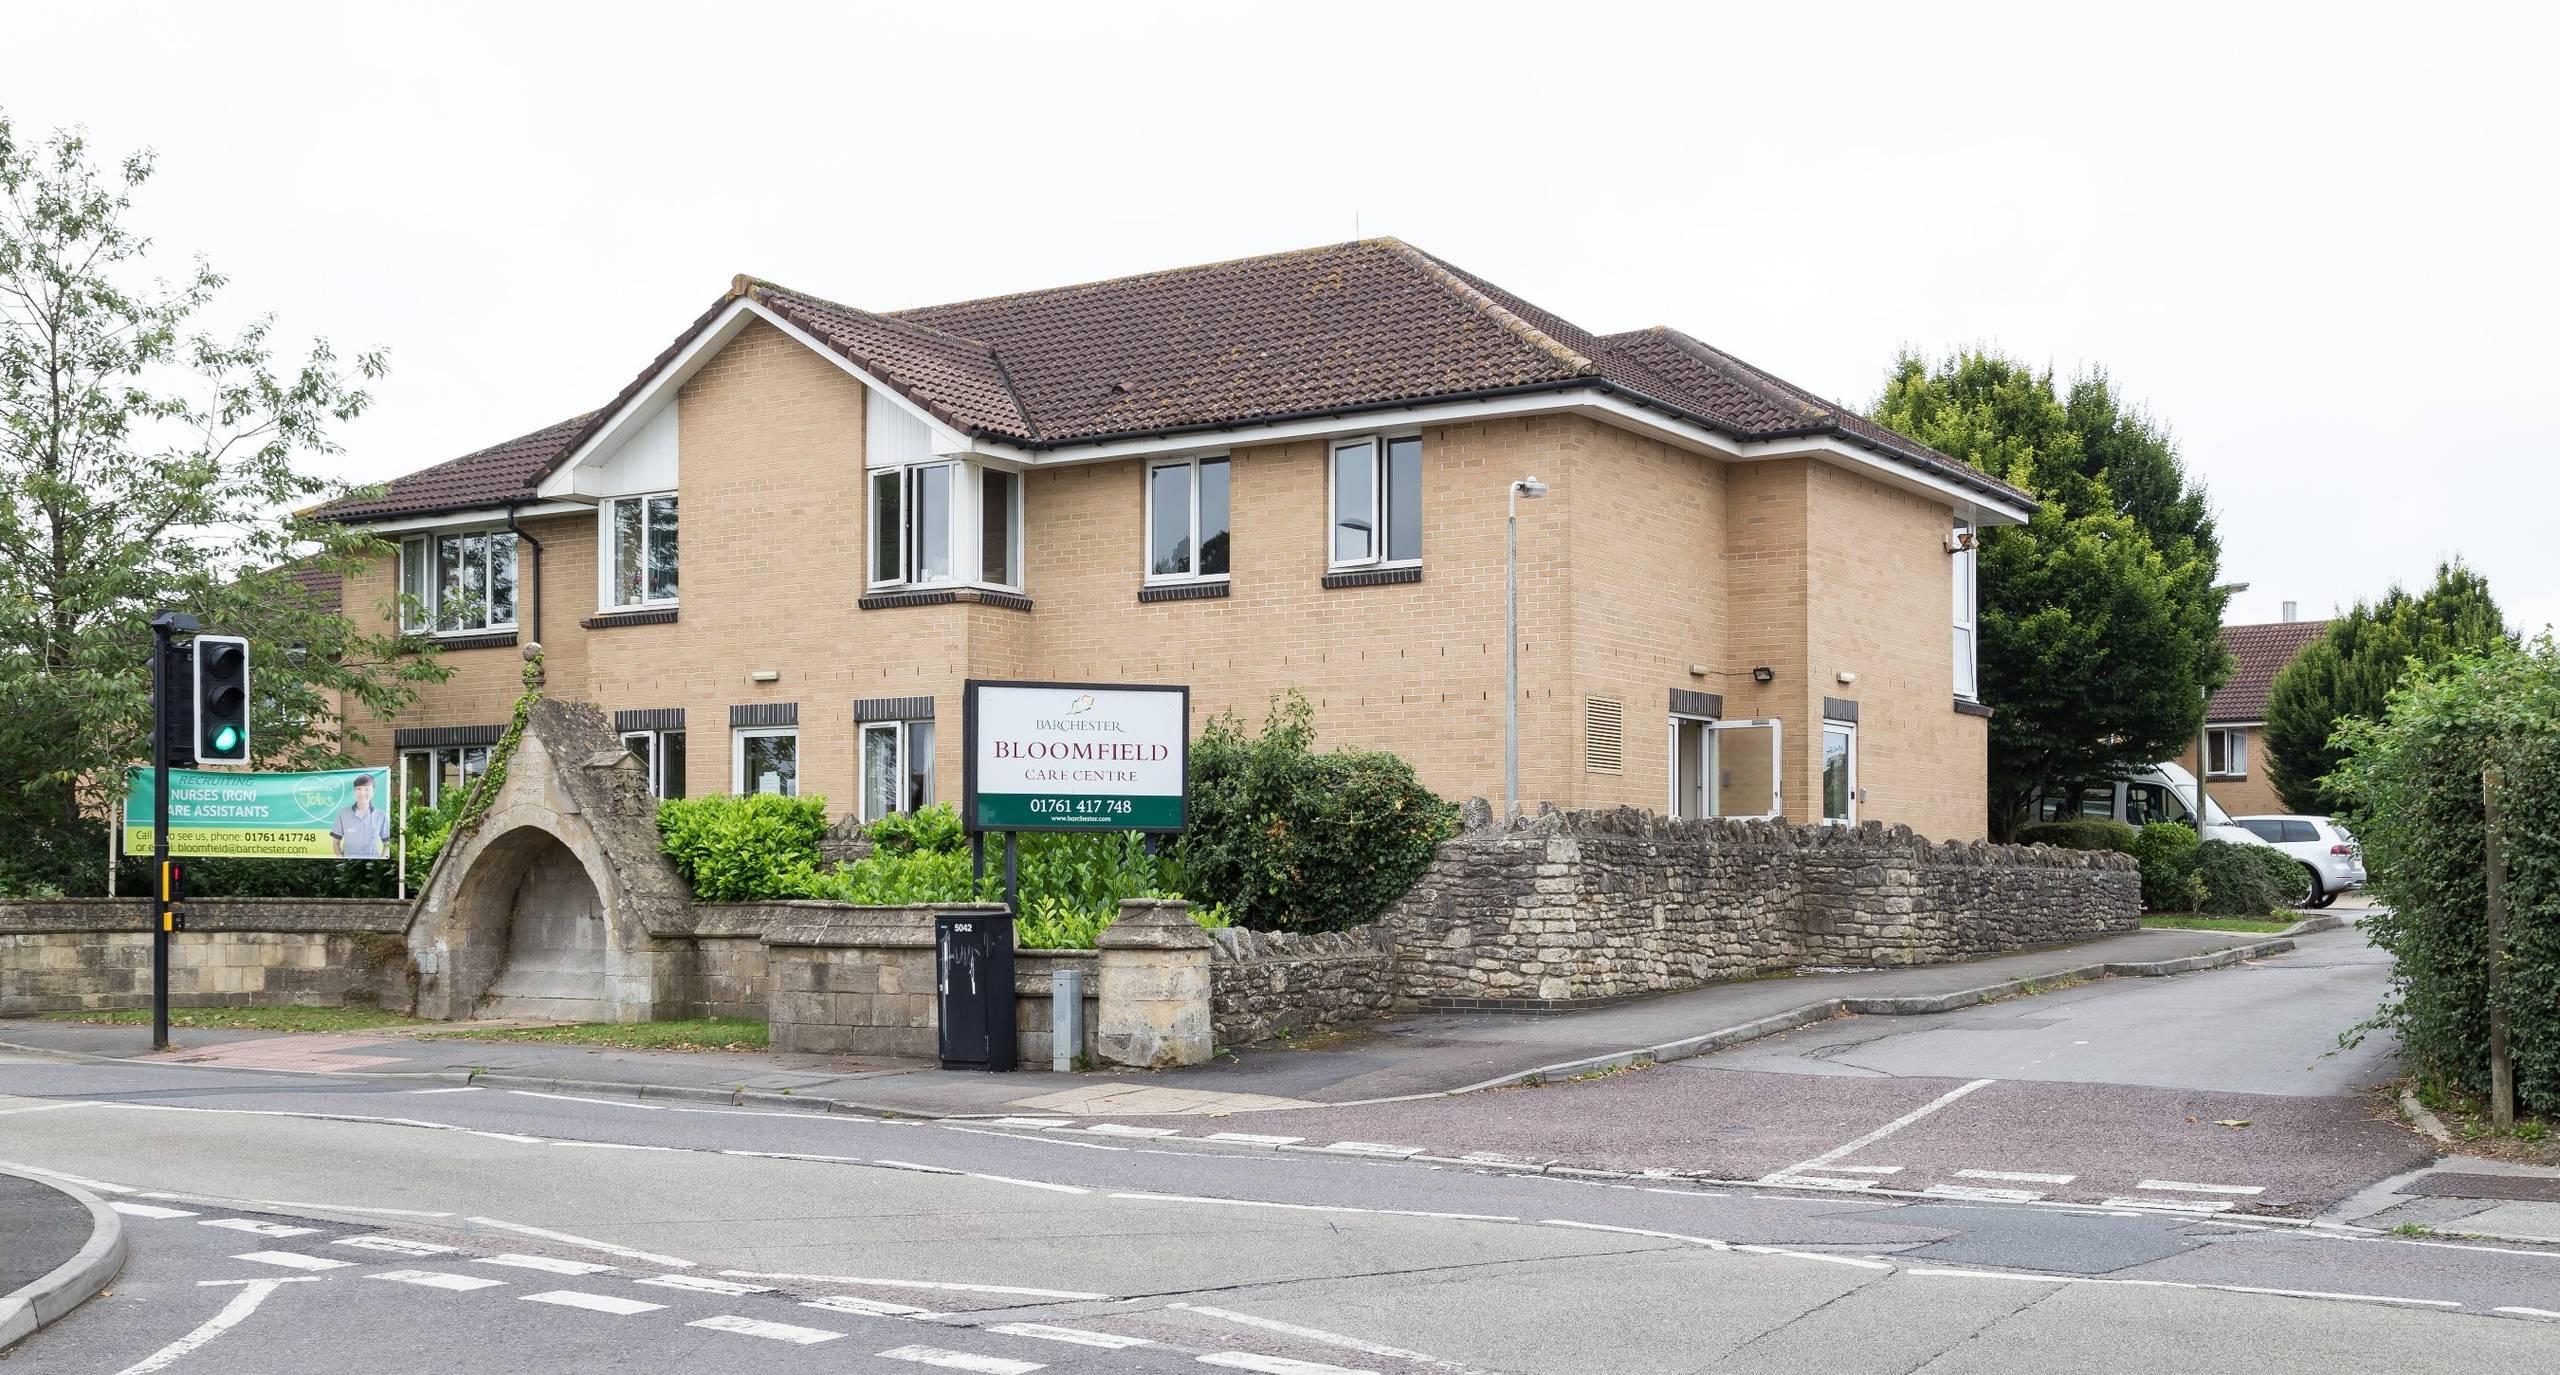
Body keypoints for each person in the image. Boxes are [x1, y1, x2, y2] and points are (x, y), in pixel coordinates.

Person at [331, 773, 391, 859]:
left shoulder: (381, 815)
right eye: (359, 789)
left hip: (372, 867)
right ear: (354, 792)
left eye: (367, 789)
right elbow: (335, 843)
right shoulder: (343, 813)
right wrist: (342, 860)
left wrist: (381, 861)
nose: (362, 793)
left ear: (373, 792)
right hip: (348, 866)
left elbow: (387, 844)